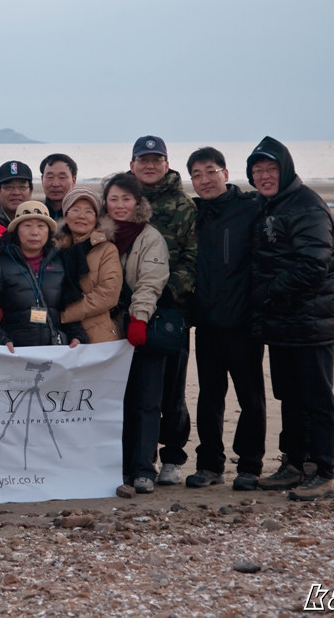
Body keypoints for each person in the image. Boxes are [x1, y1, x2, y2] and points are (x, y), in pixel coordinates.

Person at [247, 136, 334, 502]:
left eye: (271, 169)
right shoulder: (267, 205)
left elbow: (314, 264)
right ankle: (294, 463)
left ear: (285, 170)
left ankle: (323, 470)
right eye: (258, 170)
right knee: (290, 395)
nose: (264, 176)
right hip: (282, 321)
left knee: (317, 397)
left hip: (312, 320)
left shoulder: (306, 206)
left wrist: (268, 291)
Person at [184, 147, 266, 491]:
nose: (204, 180)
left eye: (210, 171)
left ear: (226, 173)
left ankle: (249, 466)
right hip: (207, 323)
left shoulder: (251, 207)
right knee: (209, 396)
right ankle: (209, 464)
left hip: (243, 322)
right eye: (196, 175)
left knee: (250, 397)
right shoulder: (194, 212)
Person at [129, 135, 197, 486]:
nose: (150, 165)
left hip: (172, 312)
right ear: (132, 165)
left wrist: (167, 293)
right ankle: (140, 460)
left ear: (167, 164)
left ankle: (172, 456)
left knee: (172, 392)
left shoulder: (184, 206)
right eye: (144, 160)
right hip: (131, 312)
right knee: (139, 391)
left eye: (156, 159)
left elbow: (193, 257)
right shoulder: (125, 200)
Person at [99, 173, 170, 495]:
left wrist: (139, 318)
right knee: (115, 401)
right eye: (113, 199)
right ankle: (118, 466)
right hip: (106, 330)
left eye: (126, 199)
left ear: (137, 202)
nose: (119, 205)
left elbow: (151, 281)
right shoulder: (98, 234)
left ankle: (143, 468)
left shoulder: (150, 237)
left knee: (147, 400)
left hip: (141, 326)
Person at [0, 201, 84, 351]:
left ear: (49, 231)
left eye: (41, 226)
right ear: (16, 231)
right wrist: (0, 340)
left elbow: (70, 307)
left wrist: (77, 335)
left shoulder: (61, 264)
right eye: (27, 226)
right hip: (13, 354)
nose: (34, 232)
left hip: (55, 352)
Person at [55, 187, 123, 343]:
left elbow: (107, 295)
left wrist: (64, 314)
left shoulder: (107, 250)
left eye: (88, 211)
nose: (81, 216)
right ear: (66, 216)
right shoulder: (55, 249)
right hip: (60, 335)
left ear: (96, 218)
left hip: (98, 335)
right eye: (75, 210)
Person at [0, 160, 33, 227]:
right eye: (9, 187)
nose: (16, 193)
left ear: (30, 192)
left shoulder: (40, 220)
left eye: (22, 187)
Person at [39, 154, 78, 220]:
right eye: (50, 177)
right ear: (42, 180)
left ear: (73, 181)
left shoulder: (80, 216)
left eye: (62, 177)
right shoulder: (35, 214)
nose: (55, 184)